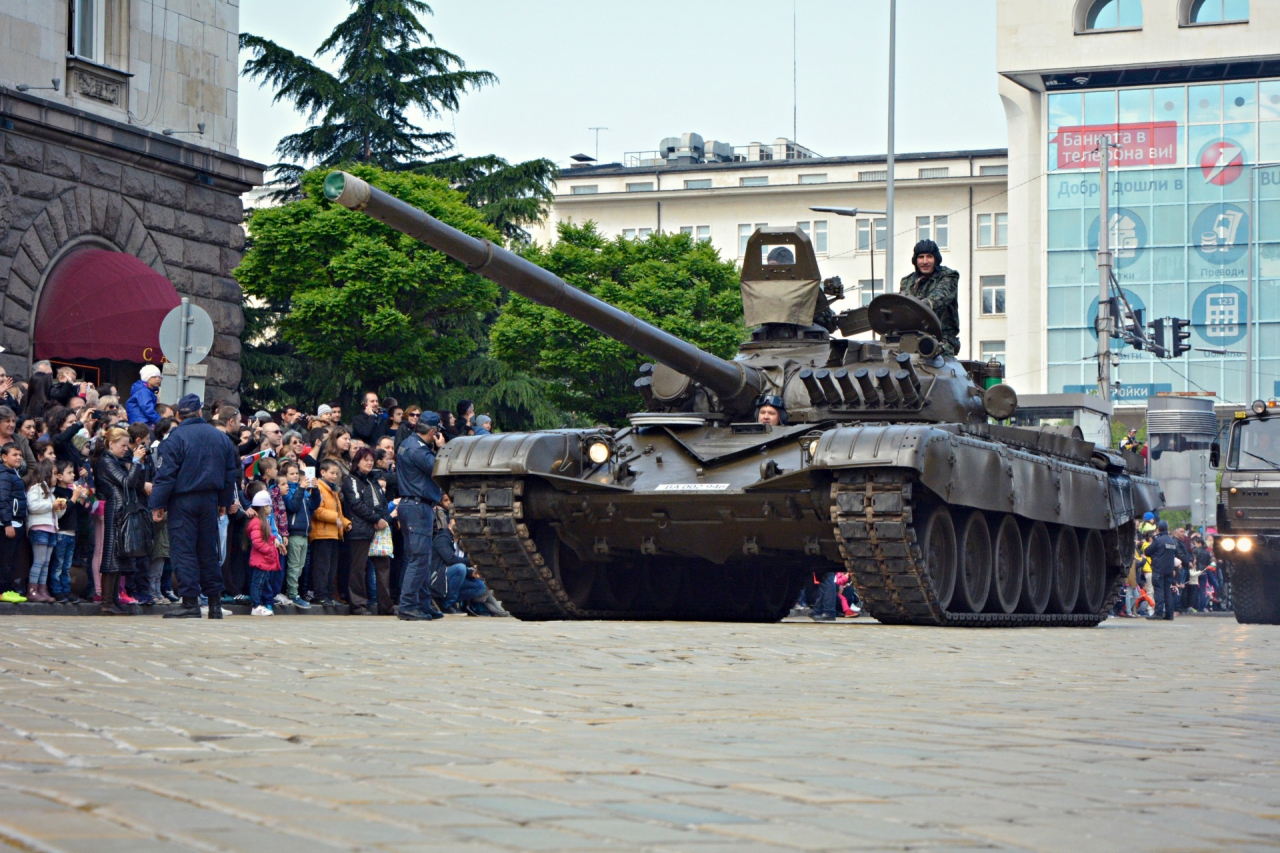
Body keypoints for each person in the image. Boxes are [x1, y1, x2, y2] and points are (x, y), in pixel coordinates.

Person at [149, 394, 240, 619]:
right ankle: (215, 603)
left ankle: (190, 602)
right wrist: (224, 502)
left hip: (182, 500)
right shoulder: (220, 438)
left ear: (179, 415)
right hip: (210, 499)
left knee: (184, 550)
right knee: (208, 550)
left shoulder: (174, 438)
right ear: (200, 412)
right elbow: (231, 475)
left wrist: (157, 503)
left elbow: (166, 475)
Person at [396, 411, 445, 621]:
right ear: (433, 432)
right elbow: (439, 468)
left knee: (420, 558)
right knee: (418, 559)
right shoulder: (419, 451)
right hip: (418, 507)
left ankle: (423, 605)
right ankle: (407, 606)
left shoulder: (407, 443)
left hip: (410, 505)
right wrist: (442, 449)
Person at [95, 426, 148, 616]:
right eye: (123, 445)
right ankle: (107, 602)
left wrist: (139, 464)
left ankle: (113, 600)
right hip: (115, 510)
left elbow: (137, 485)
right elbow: (127, 483)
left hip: (121, 509)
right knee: (111, 555)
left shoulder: (115, 461)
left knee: (119, 555)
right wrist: (135, 462)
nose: (126, 449)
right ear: (111, 443)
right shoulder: (106, 462)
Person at [342, 447, 393, 615]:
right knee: (358, 568)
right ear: (357, 462)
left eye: (371, 460)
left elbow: (383, 503)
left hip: (380, 529)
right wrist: (376, 518)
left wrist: (384, 519)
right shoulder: (351, 480)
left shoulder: (374, 480)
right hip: (360, 529)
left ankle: (386, 606)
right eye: (366, 459)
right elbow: (356, 504)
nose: (370, 463)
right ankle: (358, 605)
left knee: (383, 567)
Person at [898, 239, 961, 357]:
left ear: (936, 259)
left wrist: (924, 305)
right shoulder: (907, 282)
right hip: (912, 339)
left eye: (929, 257)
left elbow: (939, 297)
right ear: (915, 260)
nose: (925, 261)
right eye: (921, 257)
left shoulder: (949, 276)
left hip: (942, 340)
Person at [309, 459, 349, 607]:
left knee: (332, 567)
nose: (334, 476)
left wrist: (346, 524)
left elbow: (338, 512)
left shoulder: (333, 490)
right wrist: (335, 518)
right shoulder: (318, 487)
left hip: (333, 533)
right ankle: (320, 594)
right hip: (322, 533)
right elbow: (317, 510)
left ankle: (329, 594)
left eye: (336, 473)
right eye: (331, 473)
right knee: (322, 566)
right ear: (323, 472)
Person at [23, 459, 64, 603]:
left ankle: (42, 589)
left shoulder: (51, 493)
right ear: (46, 474)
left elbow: (54, 513)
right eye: (54, 474)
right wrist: (51, 504)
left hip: (51, 528)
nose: (56, 477)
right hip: (39, 528)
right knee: (39, 561)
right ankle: (32, 590)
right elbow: (33, 506)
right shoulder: (36, 488)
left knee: (46, 562)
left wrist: (59, 509)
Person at [281, 459, 319, 608]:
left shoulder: (301, 490)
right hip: (295, 532)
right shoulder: (288, 490)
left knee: (300, 566)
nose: (296, 476)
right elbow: (292, 506)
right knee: (294, 566)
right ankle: (292, 593)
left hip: (304, 533)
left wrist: (315, 490)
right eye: (292, 473)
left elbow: (313, 506)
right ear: (285, 475)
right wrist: (301, 489)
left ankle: (294, 592)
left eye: (297, 473)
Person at [49, 460, 85, 604]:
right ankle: (56, 591)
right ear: (59, 476)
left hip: (72, 533)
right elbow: (63, 511)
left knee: (66, 566)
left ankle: (66, 591)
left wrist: (82, 498)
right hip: (61, 532)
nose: (73, 475)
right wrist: (75, 497)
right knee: (58, 564)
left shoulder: (71, 491)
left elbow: (81, 512)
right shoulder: (57, 492)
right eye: (69, 473)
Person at [245, 490, 283, 616]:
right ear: (263, 508)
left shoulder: (263, 521)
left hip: (263, 559)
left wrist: (274, 540)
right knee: (257, 583)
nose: (270, 508)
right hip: (260, 559)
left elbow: (266, 536)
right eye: (268, 506)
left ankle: (258, 604)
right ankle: (255, 605)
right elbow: (257, 541)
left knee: (260, 583)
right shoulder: (257, 522)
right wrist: (269, 549)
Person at [0, 443, 26, 603]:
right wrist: (7, 522)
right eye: (14, 455)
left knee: (12, 560)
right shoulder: (4, 475)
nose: (19, 458)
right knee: (5, 560)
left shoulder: (14, 474)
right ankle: (3, 591)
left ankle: (9, 588)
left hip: (17, 523)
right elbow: (2, 500)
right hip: (7, 525)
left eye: (20, 455)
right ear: (4, 457)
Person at [1144, 520, 1180, 621]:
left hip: (1158, 570)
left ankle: (1158, 613)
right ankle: (1169, 614)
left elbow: (1147, 552)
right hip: (1169, 570)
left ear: (1158, 529)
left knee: (1159, 592)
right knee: (1168, 592)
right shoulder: (1171, 540)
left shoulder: (1158, 540)